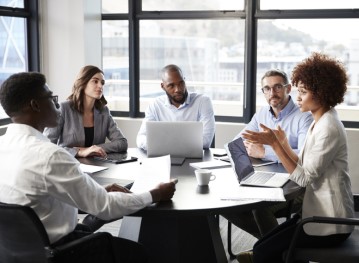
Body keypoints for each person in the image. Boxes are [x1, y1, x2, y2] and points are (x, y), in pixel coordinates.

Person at [0, 72, 177, 263]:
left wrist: (95, 191)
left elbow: (38, 195)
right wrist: (156, 194)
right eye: (52, 99)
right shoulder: (50, 155)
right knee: (140, 254)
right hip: (64, 252)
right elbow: (105, 207)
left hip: (21, 252)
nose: (57, 104)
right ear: (35, 105)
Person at [240, 52, 354, 263]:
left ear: (322, 93)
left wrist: (275, 144)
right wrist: (282, 144)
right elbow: (302, 162)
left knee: (264, 252)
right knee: (261, 247)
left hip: (329, 223)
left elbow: (303, 178)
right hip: (315, 214)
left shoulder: (327, 128)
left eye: (303, 92)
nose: (298, 97)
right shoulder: (319, 120)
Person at [223, 69, 313, 239]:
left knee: (261, 207)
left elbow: (303, 155)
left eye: (277, 87)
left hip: (298, 187)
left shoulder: (304, 117)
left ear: (288, 88)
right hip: (267, 178)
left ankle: (272, 249)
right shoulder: (262, 113)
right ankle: (271, 245)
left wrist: (265, 152)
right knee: (227, 205)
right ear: (263, 92)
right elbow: (238, 141)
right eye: (267, 88)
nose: (272, 93)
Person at [44, 65, 127, 158]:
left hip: (97, 166)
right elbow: (46, 146)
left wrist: (93, 149)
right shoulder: (64, 108)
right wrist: (78, 152)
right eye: (95, 81)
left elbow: (122, 142)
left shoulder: (104, 111)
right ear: (83, 83)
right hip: (69, 166)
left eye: (102, 83)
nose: (100, 86)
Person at [136, 64, 215, 150]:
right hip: (164, 157)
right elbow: (141, 138)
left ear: (184, 81)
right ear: (163, 86)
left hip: (194, 159)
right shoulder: (155, 105)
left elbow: (206, 141)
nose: (178, 89)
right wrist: (169, 146)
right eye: (171, 86)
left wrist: (162, 144)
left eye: (181, 83)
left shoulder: (203, 102)